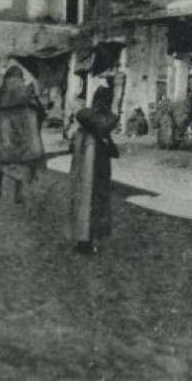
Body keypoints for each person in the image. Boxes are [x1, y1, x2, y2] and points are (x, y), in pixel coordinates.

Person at [69, 81, 122, 254]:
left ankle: (83, 238)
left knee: (84, 198)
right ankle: (91, 239)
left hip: (85, 162)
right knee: (96, 199)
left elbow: (84, 117)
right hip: (99, 163)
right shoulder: (109, 118)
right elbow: (104, 126)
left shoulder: (86, 115)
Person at [0, 64, 46, 204]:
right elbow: (39, 112)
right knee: (20, 162)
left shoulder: (4, 88)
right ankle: (18, 194)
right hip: (21, 134)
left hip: (4, 133)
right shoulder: (24, 90)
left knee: (0, 159)